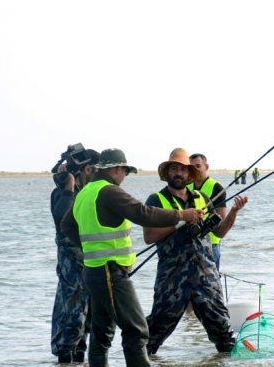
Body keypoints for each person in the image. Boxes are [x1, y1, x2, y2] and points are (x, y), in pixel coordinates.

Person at [60, 148, 188, 367]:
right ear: (117, 169)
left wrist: (91, 246)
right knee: (137, 329)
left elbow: (66, 225)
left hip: (94, 271)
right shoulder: (110, 191)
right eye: (125, 172)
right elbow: (143, 213)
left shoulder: (85, 192)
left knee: (101, 333)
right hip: (110, 271)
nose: (125, 177)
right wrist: (181, 215)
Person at [143, 148, 248, 356]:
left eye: (183, 170)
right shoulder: (155, 200)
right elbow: (149, 236)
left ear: (189, 174)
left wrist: (234, 212)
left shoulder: (202, 197)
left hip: (205, 276)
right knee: (152, 335)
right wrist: (181, 218)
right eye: (174, 169)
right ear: (167, 173)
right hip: (171, 278)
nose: (178, 174)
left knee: (224, 335)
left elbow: (220, 232)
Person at [50, 148, 100, 364]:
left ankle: (79, 355)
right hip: (71, 263)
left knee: (88, 314)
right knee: (72, 311)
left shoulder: (92, 192)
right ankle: (64, 355)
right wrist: (68, 188)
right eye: (96, 170)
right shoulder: (63, 192)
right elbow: (62, 220)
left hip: (91, 260)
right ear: (87, 169)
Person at [187, 152, 231, 271]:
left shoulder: (216, 187)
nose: (194, 170)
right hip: (190, 243)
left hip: (211, 245)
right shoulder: (187, 186)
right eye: (191, 167)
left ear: (206, 167)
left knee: (211, 284)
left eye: (198, 166)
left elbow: (221, 219)